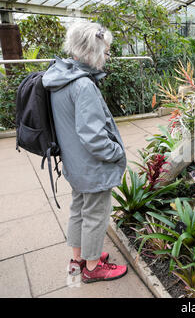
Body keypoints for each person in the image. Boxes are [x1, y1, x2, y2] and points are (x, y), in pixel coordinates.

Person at [42, 22, 128, 283]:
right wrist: (116, 152)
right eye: (105, 50)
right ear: (92, 51)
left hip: (74, 163)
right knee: (96, 214)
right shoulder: (84, 86)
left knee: (78, 209)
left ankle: (78, 258)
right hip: (92, 167)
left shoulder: (61, 76)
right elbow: (93, 136)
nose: (107, 55)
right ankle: (92, 268)